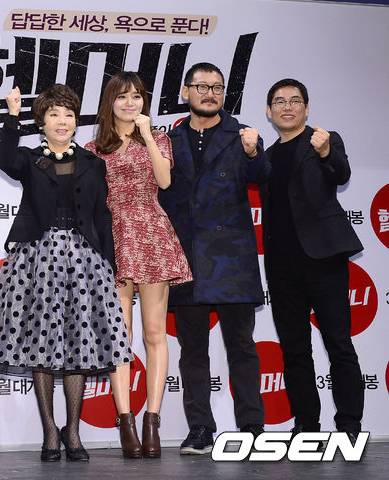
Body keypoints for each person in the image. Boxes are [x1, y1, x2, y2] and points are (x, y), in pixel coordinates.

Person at [0, 84, 133, 462]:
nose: (62, 121)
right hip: (38, 258)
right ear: (42, 122)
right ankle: (49, 431)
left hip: (84, 260)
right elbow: (5, 159)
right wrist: (12, 116)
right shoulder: (30, 159)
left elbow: (102, 216)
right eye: (54, 114)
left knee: (79, 345)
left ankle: (72, 431)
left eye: (69, 115)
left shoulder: (93, 162)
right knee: (41, 343)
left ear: (76, 122)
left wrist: (110, 264)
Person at [158, 62, 270, 454]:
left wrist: (253, 152)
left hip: (231, 258)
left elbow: (263, 175)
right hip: (187, 258)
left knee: (242, 346)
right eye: (202, 86)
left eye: (217, 87)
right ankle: (201, 429)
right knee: (193, 351)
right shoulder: (167, 140)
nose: (210, 93)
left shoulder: (243, 135)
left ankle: (252, 426)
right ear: (186, 91)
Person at [85, 71, 192, 458]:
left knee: (154, 333)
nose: (130, 103)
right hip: (113, 238)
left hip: (151, 233)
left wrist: (146, 134)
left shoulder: (159, 138)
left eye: (136, 96)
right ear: (109, 102)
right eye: (122, 96)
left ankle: (152, 421)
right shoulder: (94, 147)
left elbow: (164, 182)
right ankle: (126, 421)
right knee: (121, 337)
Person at [261, 78, 364, 441]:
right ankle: (306, 424)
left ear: (306, 108)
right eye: (279, 102)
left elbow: (341, 174)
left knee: (339, 344)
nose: (287, 107)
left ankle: (349, 425)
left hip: (324, 260)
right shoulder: (266, 157)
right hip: (281, 266)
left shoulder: (325, 139)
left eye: (295, 100)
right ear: (269, 112)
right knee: (294, 350)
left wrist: (325, 152)